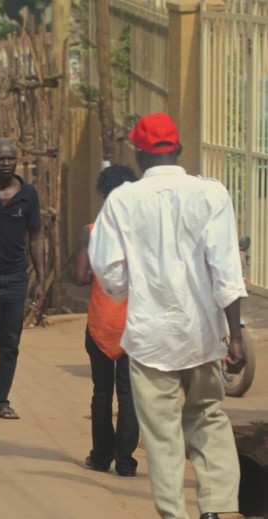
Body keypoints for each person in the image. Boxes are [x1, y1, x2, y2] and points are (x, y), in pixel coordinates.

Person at [89, 113, 247, 519]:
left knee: (161, 433)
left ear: (138, 154)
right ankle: (214, 508)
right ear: (178, 149)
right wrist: (236, 336)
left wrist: (128, 291)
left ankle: (174, 513)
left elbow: (108, 270)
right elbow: (226, 271)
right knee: (208, 417)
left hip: (149, 335)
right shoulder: (211, 195)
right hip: (202, 334)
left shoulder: (122, 200)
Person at [74, 165, 139, 478]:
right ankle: (126, 461)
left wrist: (98, 274)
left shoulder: (91, 230)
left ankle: (100, 456)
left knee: (102, 392)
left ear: (103, 193)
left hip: (100, 321)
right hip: (134, 322)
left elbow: (78, 277)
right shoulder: (142, 230)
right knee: (129, 394)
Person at [0, 140, 45, 422]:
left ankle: (3, 400)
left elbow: (36, 237)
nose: (6, 163)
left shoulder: (28, 194)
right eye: (1, 159)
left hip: (16, 277)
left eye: (11, 159)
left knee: (10, 341)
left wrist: (39, 278)